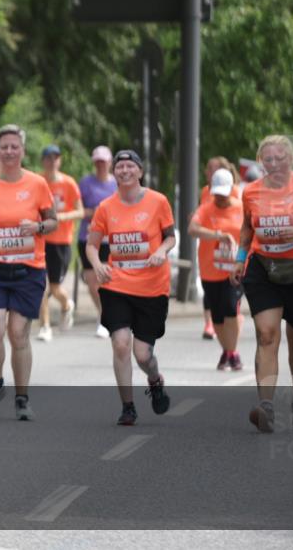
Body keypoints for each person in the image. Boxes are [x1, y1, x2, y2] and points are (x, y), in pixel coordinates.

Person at [233, 136, 293, 433]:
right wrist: (239, 258)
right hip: (263, 268)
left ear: (290, 160)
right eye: (268, 160)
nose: (273, 164)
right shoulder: (251, 192)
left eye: (279, 159)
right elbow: (248, 227)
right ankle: (267, 407)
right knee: (266, 334)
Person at [0, 125, 57, 420]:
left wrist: (39, 227)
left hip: (28, 269)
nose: (7, 151)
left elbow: (53, 221)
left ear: (22, 151)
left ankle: (22, 398)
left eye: (13, 146)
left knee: (18, 333)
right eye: (2, 147)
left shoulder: (37, 184)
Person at [86, 150, 175, 426]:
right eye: (119, 166)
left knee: (143, 354)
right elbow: (91, 244)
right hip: (117, 285)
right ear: (114, 173)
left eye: (129, 166)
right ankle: (128, 407)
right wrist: (98, 264)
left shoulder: (158, 201)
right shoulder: (105, 207)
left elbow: (171, 237)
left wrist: (161, 250)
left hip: (152, 287)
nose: (124, 170)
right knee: (121, 344)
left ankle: (154, 379)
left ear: (140, 171)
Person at [189, 168, 245, 370]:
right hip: (210, 270)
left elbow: (252, 232)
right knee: (218, 316)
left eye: (223, 194)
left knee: (231, 308)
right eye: (217, 194)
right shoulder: (206, 208)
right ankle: (228, 352)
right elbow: (192, 229)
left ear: (231, 189)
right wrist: (218, 235)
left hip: (235, 270)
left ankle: (233, 352)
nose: (220, 198)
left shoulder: (242, 207)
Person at [37, 144, 84, 342]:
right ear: (43, 161)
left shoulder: (69, 183)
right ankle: (45, 326)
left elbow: (81, 211)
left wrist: (62, 217)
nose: (51, 161)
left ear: (59, 160)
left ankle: (66, 305)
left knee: (55, 288)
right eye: (48, 158)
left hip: (61, 242)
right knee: (42, 286)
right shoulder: (38, 182)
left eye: (55, 158)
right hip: (41, 240)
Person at [199, 156, 242, 340]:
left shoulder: (237, 194)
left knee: (230, 304)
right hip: (210, 252)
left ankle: (231, 345)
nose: (209, 172)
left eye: (214, 169)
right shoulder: (205, 192)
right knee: (212, 296)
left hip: (232, 257)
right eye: (209, 169)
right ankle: (210, 322)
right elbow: (201, 217)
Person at [78, 146, 118, 338]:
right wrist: (96, 214)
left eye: (104, 162)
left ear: (110, 163)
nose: (100, 165)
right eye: (97, 162)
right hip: (87, 237)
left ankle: (105, 318)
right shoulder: (85, 183)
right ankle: (103, 313)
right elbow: (80, 210)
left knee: (107, 279)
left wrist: (101, 216)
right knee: (91, 280)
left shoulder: (117, 184)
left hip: (109, 239)